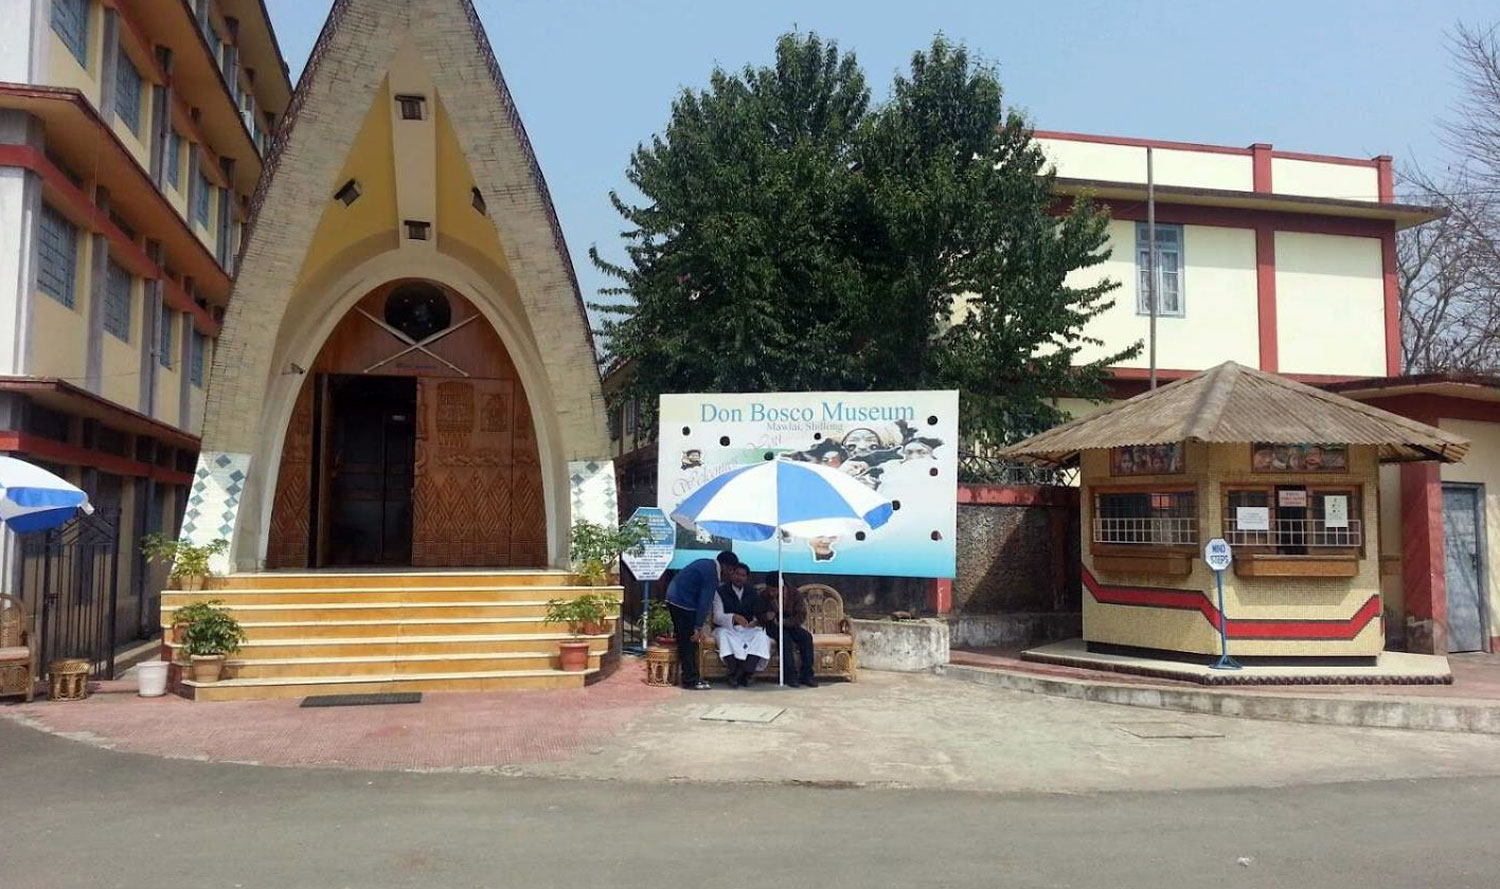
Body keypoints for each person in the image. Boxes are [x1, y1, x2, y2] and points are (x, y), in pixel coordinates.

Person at [666, 550, 739, 690]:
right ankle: (690, 680)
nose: (730, 574)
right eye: (731, 570)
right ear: (724, 566)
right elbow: (705, 601)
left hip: (678, 599)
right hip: (682, 602)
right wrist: (698, 626)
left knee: (688, 642)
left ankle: (691, 677)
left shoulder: (708, 564)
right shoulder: (712, 574)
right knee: (688, 641)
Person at [712, 563, 771, 688]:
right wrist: (733, 617)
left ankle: (744, 673)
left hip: (747, 629)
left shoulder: (752, 591)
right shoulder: (720, 591)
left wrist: (756, 621)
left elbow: (757, 613)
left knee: (761, 637)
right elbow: (717, 616)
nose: (739, 578)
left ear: (747, 578)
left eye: (743, 575)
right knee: (723, 636)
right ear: (731, 574)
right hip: (728, 628)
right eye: (737, 574)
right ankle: (736, 672)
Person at [756, 571, 817, 688]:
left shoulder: (794, 594)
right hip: (772, 626)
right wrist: (766, 617)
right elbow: (759, 614)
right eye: (770, 590)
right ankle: (790, 676)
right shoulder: (763, 596)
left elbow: (801, 615)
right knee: (784, 639)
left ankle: (807, 675)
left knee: (806, 637)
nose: (772, 593)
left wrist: (786, 622)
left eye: (774, 590)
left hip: (791, 624)